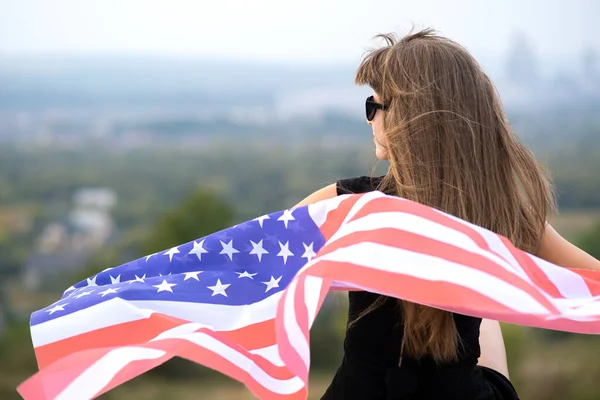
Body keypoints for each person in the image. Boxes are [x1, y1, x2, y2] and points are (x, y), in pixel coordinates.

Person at [293, 28, 600, 399]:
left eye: (374, 107)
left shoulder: (347, 204)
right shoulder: (496, 207)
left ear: (410, 119)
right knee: (485, 322)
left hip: (363, 392)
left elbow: (251, 258)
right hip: (461, 393)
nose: (369, 120)